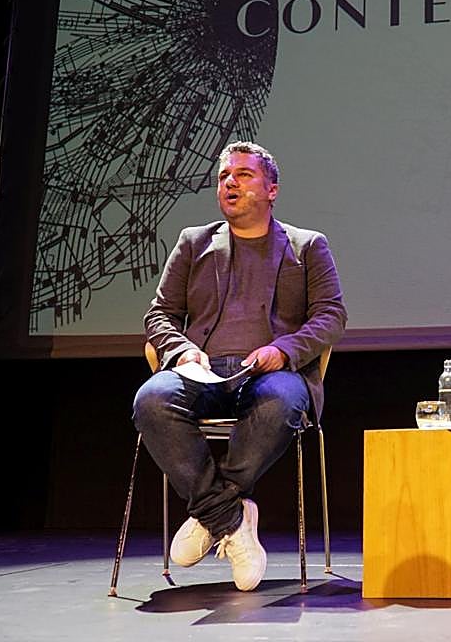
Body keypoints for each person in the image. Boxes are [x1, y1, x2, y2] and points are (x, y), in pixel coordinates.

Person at [134, 141, 347, 591]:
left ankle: (211, 514)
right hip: (203, 373)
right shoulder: (194, 242)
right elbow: (159, 314)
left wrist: (284, 350)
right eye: (224, 176)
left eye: (244, 175)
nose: (230, 182)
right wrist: (182, 352)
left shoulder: (307, 246)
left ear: (272, 189)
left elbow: (331, 315)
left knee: (280, 403)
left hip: (271, 374)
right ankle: (231, 517)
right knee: (152, 399)